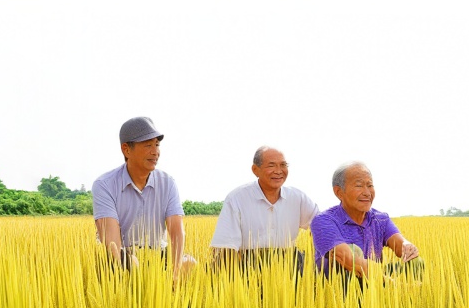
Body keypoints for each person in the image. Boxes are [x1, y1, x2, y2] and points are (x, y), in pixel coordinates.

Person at [92, 116, 195, 280]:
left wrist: (175, 271)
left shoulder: (167, 183)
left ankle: (178, 304)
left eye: (157, 145)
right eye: (148, 145)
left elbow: (176, 230)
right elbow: (111, 241)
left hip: (156, 253)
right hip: (124, 253)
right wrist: (127, 267)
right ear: (126, 149)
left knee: (189, 263)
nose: (155, 152)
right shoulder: (105, 184)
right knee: (131, 263)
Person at [210, 146, 318, 273]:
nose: (279, 171)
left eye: (283, 165)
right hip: (249, 263)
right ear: (255, 170)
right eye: (271, 166)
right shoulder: (237, 198)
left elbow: (321, 223)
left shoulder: (298, 197)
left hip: (289, 262)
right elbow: (225, 247)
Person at [310, 161, 423, 281]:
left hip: (376, 280)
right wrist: (394, 286)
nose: (367, 193)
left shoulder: (381, 219)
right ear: (339, 192)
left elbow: (399, 243)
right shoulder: (323, 221)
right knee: (353, 252)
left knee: (416, 262)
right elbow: (348, 260)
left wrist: (407, 247)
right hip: (341, 289)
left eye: (370, 186)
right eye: (359, 186)